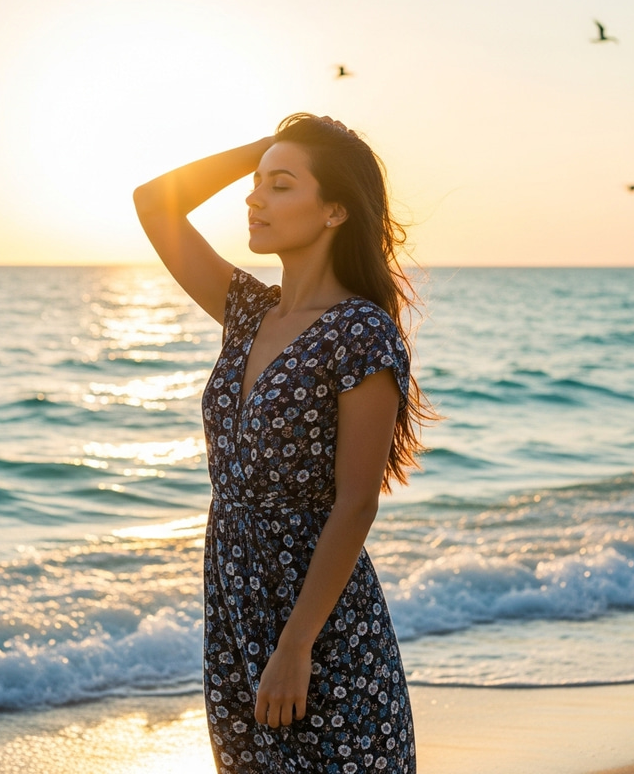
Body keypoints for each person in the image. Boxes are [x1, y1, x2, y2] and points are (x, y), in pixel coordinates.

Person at [133, 113, 431, 773]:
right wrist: (261, 151)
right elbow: (153, 204)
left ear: (333, 211)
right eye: (257, 184)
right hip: (236, 613)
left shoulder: (360, 331)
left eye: (281, 185)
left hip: (320, 626)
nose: (254, 197)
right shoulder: (246, 312)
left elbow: (356, 502)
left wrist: (296, 647)